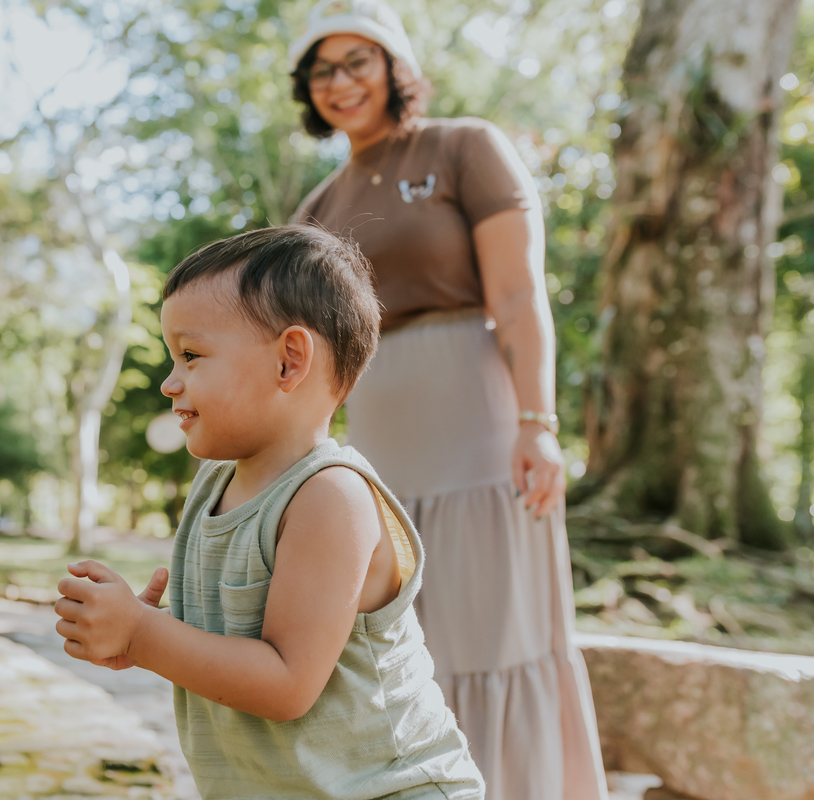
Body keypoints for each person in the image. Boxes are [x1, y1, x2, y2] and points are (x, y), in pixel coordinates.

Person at [287, 2, 608, 799]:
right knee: (405, 640)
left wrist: (538, 423)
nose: (341, 81)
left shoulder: (466, 147)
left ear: (395, 66)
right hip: (376, 442)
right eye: (322, 70)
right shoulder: (315, 210)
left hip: (479, 422)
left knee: (495, 630)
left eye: (358, 60)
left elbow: (519, 295)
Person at [54, 225, 484, 800]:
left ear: (289, 361)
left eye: (190, 355)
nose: (169, 381)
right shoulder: (215, 485)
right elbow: (230, 651)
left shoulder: (332, 496)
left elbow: (286, 683)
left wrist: (142, 634)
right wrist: (138, 637)